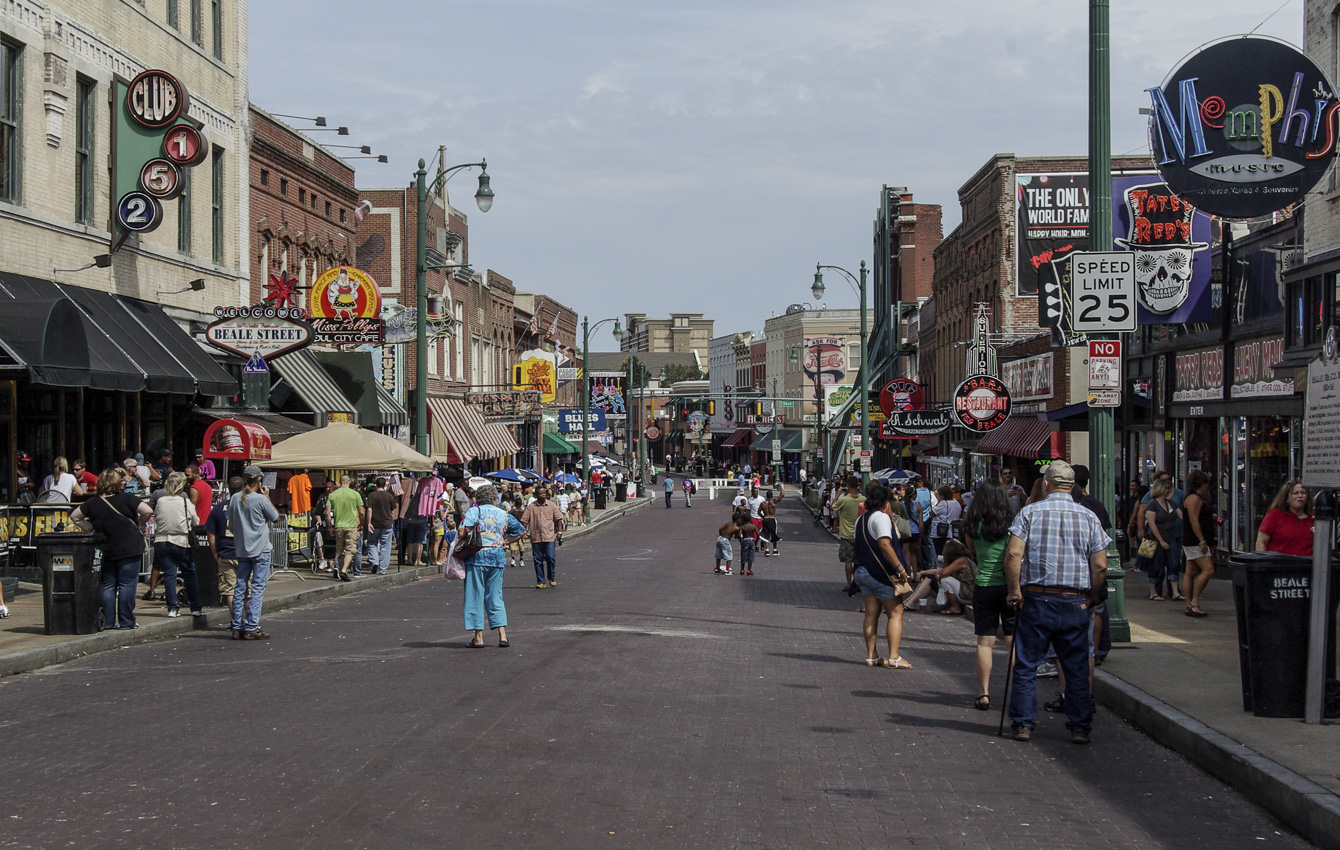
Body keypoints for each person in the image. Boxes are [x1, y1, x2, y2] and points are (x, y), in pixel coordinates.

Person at [1004, 460, 1110, 745]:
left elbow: (1014, 555)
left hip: (1037, 596)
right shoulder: (1088, 517)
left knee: (1026, 664)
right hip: (1074, 600)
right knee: (1075, 665)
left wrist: (1015, 591)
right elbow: (1100, 565)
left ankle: (1024, 723)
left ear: (1047, 484)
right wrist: (1091, 595)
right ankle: (1079, 726)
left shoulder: (1029, 513)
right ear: (1072, 486)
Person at [71, 469, 151, 630]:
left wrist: (90, 527)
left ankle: (107, 621)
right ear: (117, 483)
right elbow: (148, 511)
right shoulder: (127, 498)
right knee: (127, 585)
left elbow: (75, 516)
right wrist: (140, 525)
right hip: (130, 547)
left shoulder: (92, 503)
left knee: (107, 585)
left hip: (105, 549)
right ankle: (127, 621)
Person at [963, 478, 1016, 711]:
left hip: (983, 585)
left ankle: (983, 693)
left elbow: (973, 551)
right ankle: (1017, 690)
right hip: (1008, 585)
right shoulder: (1011, 526)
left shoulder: (973, 526)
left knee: (985, 642)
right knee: (1013, 641)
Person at [850, 482, 913, 669]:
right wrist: (900, 569)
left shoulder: (860, 519)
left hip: (862, 570)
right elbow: (885, 545)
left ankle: (872, 655)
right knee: (895, 613)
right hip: (880, 573)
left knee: (871, 612)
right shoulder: (881, 518)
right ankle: (894, 657)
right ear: (885, 502)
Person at [460, 484, 526, 648]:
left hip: (476, 557)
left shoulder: (475, 511)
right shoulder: (503, 514)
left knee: (475, 596)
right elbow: (521, 530)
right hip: (496, 558)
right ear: (493, 498)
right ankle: (502, 636)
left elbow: (462, 532)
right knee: (495, 596)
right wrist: (506, 541)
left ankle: (479, 638)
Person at [227, 466, 280, 640]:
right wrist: (267, 497)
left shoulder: (234, 498)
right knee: (257, 588)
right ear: (259, 480)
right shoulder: (260, 499)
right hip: (260, 549)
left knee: (240, 587)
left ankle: (236, 625)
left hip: (242, 549)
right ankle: (251, 626)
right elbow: (275, 517)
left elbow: (230, 525)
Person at [151, 472, 202, 617]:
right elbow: (196, 521)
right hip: (181, 541)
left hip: (162, 540)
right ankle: (195, 607)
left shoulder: (161, 500)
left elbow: (157, 517)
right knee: (189, 573)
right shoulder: (185, 501)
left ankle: (173, 608)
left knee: (169, 574)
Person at [205, 476, 244, 605]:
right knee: (248, 591)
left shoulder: (218, 508)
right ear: (243, 489)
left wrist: (215, 553)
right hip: (245, 554)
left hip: (225, 553)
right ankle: (250, 623)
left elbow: (211, 533)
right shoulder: (248, 507)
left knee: (230, 591)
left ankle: (236, 623)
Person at [1180, 470, 1214, 617]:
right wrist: (1202, 540)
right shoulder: (1194, 498)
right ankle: (1194, 602)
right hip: (1195, 540)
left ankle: (1189, 604)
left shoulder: (1194, 498)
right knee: (1208, 570)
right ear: (1203, 483)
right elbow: (1193, 520)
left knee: (1191, 571)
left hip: (1191, 539)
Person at [1144, 478, 1182, 601]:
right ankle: (1153, 592)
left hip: (1171, 537)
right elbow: (1152, 523)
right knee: (1156, 565)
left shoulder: (1171, 503)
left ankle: (1175, 592)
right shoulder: (1152, 504)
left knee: (1174, 563)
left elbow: (1181, 516)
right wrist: (1161, 540)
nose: (1169, 490)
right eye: (1167, 488)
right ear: (1160, 489)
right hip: (1156, 539)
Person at [1256, 480, 1314, 556]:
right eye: (1295, 493)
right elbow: (1261, 542)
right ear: (1286, 498)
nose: (1300, 496)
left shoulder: (1314, 517)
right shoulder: (1275, 514)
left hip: (1305, 565)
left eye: (1303, 493)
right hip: (1279, 564)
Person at [521, 486, 564, 588]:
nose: (543, 495)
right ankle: (541, 581)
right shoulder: (531, 507)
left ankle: (551, 576)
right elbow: (524, 520)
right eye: (541, 493)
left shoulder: (552, 505)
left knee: (550, 557)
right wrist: (523, 533)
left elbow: (558, 519)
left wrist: (560, 532)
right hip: (536, 537)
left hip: (549, 536)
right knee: (538, 559)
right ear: (536, 495)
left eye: (544, 493)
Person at [325, 475, 364, 582]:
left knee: (339, 551)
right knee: (350, 550)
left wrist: (330, 527)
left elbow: (327, 513)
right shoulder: (355, 494)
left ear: (340, 482)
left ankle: (343, 571)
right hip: (351, 526)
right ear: (349, 482)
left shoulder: (333, 495)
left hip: (338, 526)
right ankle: (343, 570)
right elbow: (361, 512)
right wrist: (361, 525)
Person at [832, 476, 863, 592]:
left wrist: (837, 494)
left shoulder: (844, 500)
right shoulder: (863, 499)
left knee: (848, 560)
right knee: (859, 560)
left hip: (846, 534)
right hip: (860, 534)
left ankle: (849, 584)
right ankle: (859, 582)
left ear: (848, 486)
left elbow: (833, 507)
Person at [365, 477, 398, 575]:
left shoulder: (371, 495)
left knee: (371, 543)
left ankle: (374, 561)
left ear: (376, 485)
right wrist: (391, 522)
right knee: (385, 546)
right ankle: (383, 569)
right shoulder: (389, 496)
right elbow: (392, 512)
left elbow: (369, 509)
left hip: (374, 524)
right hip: (386, 524)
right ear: (385, 485)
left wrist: (369, 522)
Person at [928, 484, 963, 557]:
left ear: (942, 496)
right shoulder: (956, 502)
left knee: (941, 553)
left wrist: (938, 501)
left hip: (942, 532)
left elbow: (932, 513)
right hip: (953, 531)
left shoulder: (943, 503)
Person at [760, 489, 782, 557]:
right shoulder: (774, 502)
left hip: (766, 519)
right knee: (773, 534)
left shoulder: (763, 503)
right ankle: (775, 550)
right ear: (772, 496)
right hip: (772, 519)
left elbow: (758, 512)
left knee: (765, 534)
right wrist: (781, 486)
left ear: (766, 496)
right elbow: (782, 495)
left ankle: (767, 550)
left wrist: (763, 516)